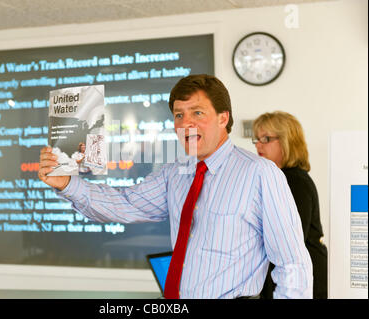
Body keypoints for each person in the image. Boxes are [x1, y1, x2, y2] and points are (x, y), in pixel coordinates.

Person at [38, 74, 313, 299]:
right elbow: (126, 205)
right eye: (179, 115)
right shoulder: (175, 173)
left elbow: (293, 264)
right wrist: (68, 184)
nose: (186, 123)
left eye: (197, 112)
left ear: (223, 118)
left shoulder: (260, 174)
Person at [252, 111, 328, 299]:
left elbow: (287, 241)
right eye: (257, 139)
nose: (259, 145)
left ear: (287, 142)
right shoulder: (283, 178)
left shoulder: (293, 181)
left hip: (302, 282)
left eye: (266, 138)